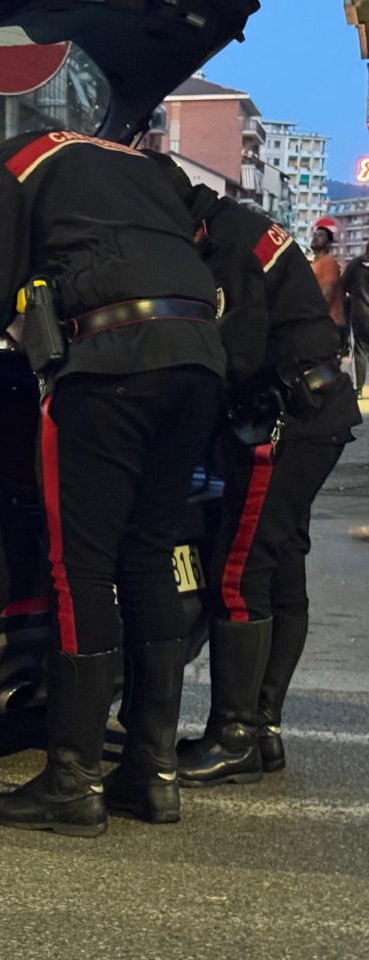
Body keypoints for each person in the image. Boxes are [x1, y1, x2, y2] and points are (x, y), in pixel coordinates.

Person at [0, 132, 225, 836]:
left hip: (111, 368)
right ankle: (152, 773)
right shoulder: (128, 164)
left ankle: (73, 782)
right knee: (149, 557)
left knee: (80, 566)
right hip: (198, 358)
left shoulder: (5, 167)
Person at [146, 155, 361, 785]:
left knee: (238, 573)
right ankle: (262, 731)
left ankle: (234, 735)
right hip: (315, 410)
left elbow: (232, 355)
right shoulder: (238, 226)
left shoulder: (227, 249)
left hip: (279, 419)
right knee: (279, 561)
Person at [310, 217, 348, 354]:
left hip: (328, 323)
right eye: (315, 234)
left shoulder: (328, 262)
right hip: (320, 323)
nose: (315, 237)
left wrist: (313, 320)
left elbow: (327, 294)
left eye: (321, 236)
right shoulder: (315, 263)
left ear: (329, 243)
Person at [342, 242, 369, 398]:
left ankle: (358, 388)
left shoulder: (355, 264)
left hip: (360, 315)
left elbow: (344, 285)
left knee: (360, 350)